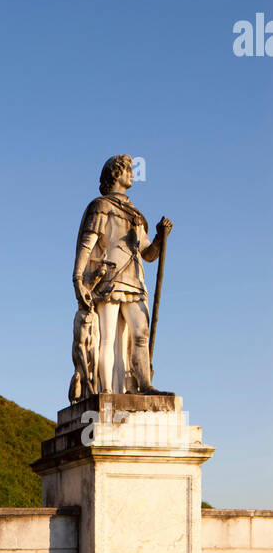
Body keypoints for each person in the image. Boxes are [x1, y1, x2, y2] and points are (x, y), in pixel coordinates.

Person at [70, 154, 172, 399]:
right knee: (107, 338)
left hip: (134, 280)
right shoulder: (101, 206)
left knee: (140, 334)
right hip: (109, 279)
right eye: (127, 169)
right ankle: (105, 391)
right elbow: (87, 243)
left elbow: (148, 254)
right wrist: (78, 277)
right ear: (116, 174)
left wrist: (160, 236)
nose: (132, 174)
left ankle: (144, 384)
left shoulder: (135, 213)